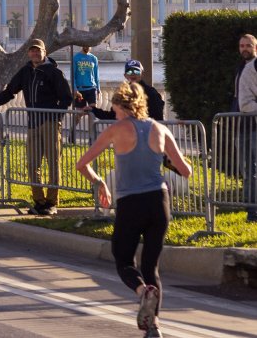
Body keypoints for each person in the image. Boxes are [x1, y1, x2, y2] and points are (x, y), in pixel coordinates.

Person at [76, 83, 191, 338]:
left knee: (124, 259)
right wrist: (163, 160)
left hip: (131, 204)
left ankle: (142, 293)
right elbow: (186, 171)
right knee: (151, 267)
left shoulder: (116, 130)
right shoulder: (160, 129)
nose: (115, 115)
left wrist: (100, 182)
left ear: (123, 107)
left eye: (116, 110)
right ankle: (154, 327)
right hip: (159, 203)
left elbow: (82, 164)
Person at [0, 38, 73, 215]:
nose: (35, 54)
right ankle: (38, 201)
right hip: (32, 123)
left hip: (50, 123)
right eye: (32, 51)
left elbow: (66, 98)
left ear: (44, 52)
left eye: (38, 50)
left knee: (53, 163)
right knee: (32, 164)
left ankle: (52, 202)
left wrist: (56, 116)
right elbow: (9, 92)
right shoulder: (25, 72)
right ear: (29, 53)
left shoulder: (54, 72)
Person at [89, 60, 165, 122]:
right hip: (129, 133)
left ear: (142, 74)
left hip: (148, 132)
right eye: (129, 72)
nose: (133, 74)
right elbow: (112, 116)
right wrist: (93, 110)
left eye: (136, 71)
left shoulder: (151, 93)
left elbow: (158, 117)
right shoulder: (123, 94)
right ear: (125, 75)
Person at [234, 34, 257, 222]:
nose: (244, 49)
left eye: (248, 45)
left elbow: (246, 103)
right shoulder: (240, 68)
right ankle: (251, 212)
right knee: (247, 172)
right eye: (242, 46)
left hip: (254, 126)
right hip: (242, 127)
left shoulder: (253, 67)